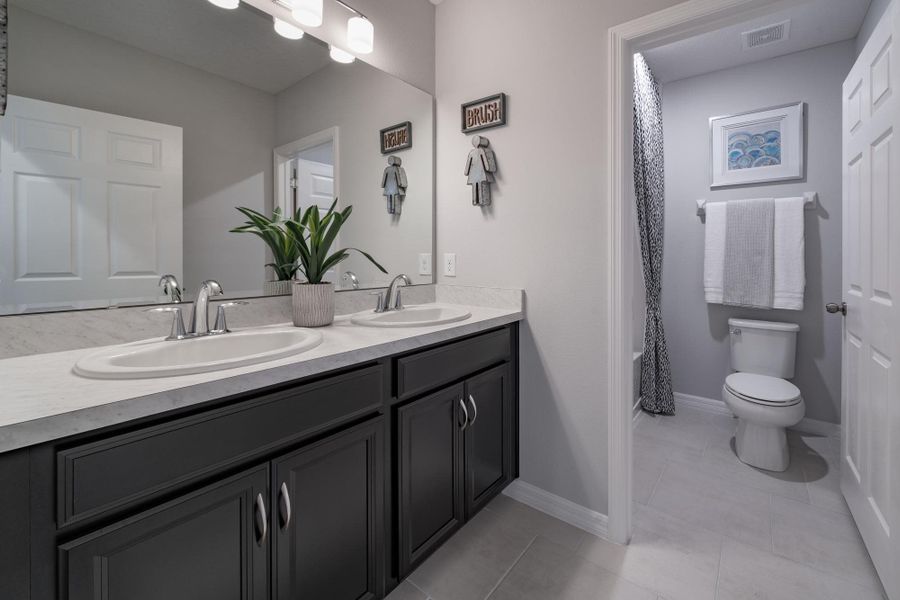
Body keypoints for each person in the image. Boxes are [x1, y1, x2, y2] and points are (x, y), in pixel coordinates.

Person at [464, 135, 497, 206]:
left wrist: (466, 172)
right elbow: (487, 165)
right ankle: (481, 201)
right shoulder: (481, 151)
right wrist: (489, 168)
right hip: (481, 174)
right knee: (481, 186)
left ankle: (476, 201)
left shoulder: (472, 153)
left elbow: (466, 170)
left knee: (476, 187)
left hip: (474, 174)